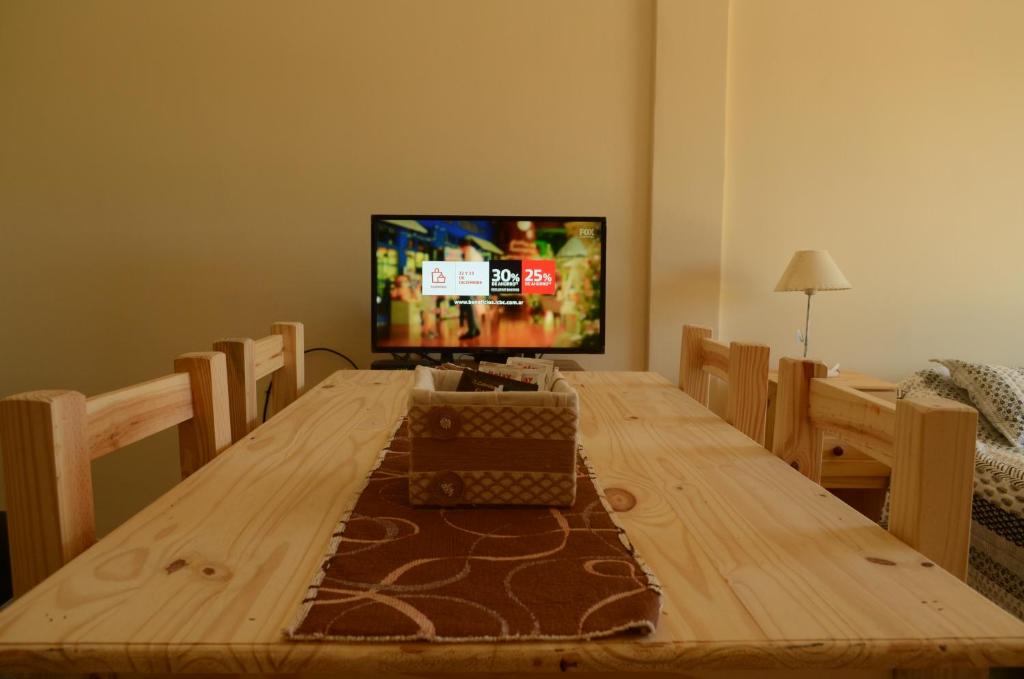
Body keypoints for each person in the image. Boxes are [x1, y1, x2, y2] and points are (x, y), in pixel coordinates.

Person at [457, 236, 482, 340]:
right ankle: (475, 329)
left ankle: (472, 330)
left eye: (461, 247)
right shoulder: (476, 253)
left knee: (468, 306)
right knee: (470, 306)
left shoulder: (469, 253)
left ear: (464, 246)